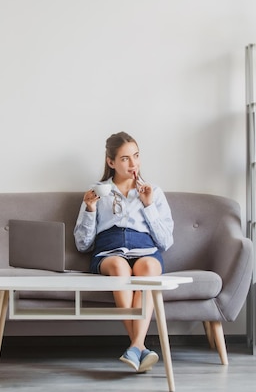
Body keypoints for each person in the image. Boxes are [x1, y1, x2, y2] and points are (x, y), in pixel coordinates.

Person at [74, 131, 174, 373]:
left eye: (136, 156)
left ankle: (135, 346)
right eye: (125, 159)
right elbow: (82, 245)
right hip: (110, 251)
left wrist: (148, 205)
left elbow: (165, 242)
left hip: (145, 249)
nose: (133, 164)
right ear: (111, 162)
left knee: (149, 267)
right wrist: (90, 209)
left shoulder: (154, 192)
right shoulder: (98, 192)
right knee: (119, 267)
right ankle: (139, 346)